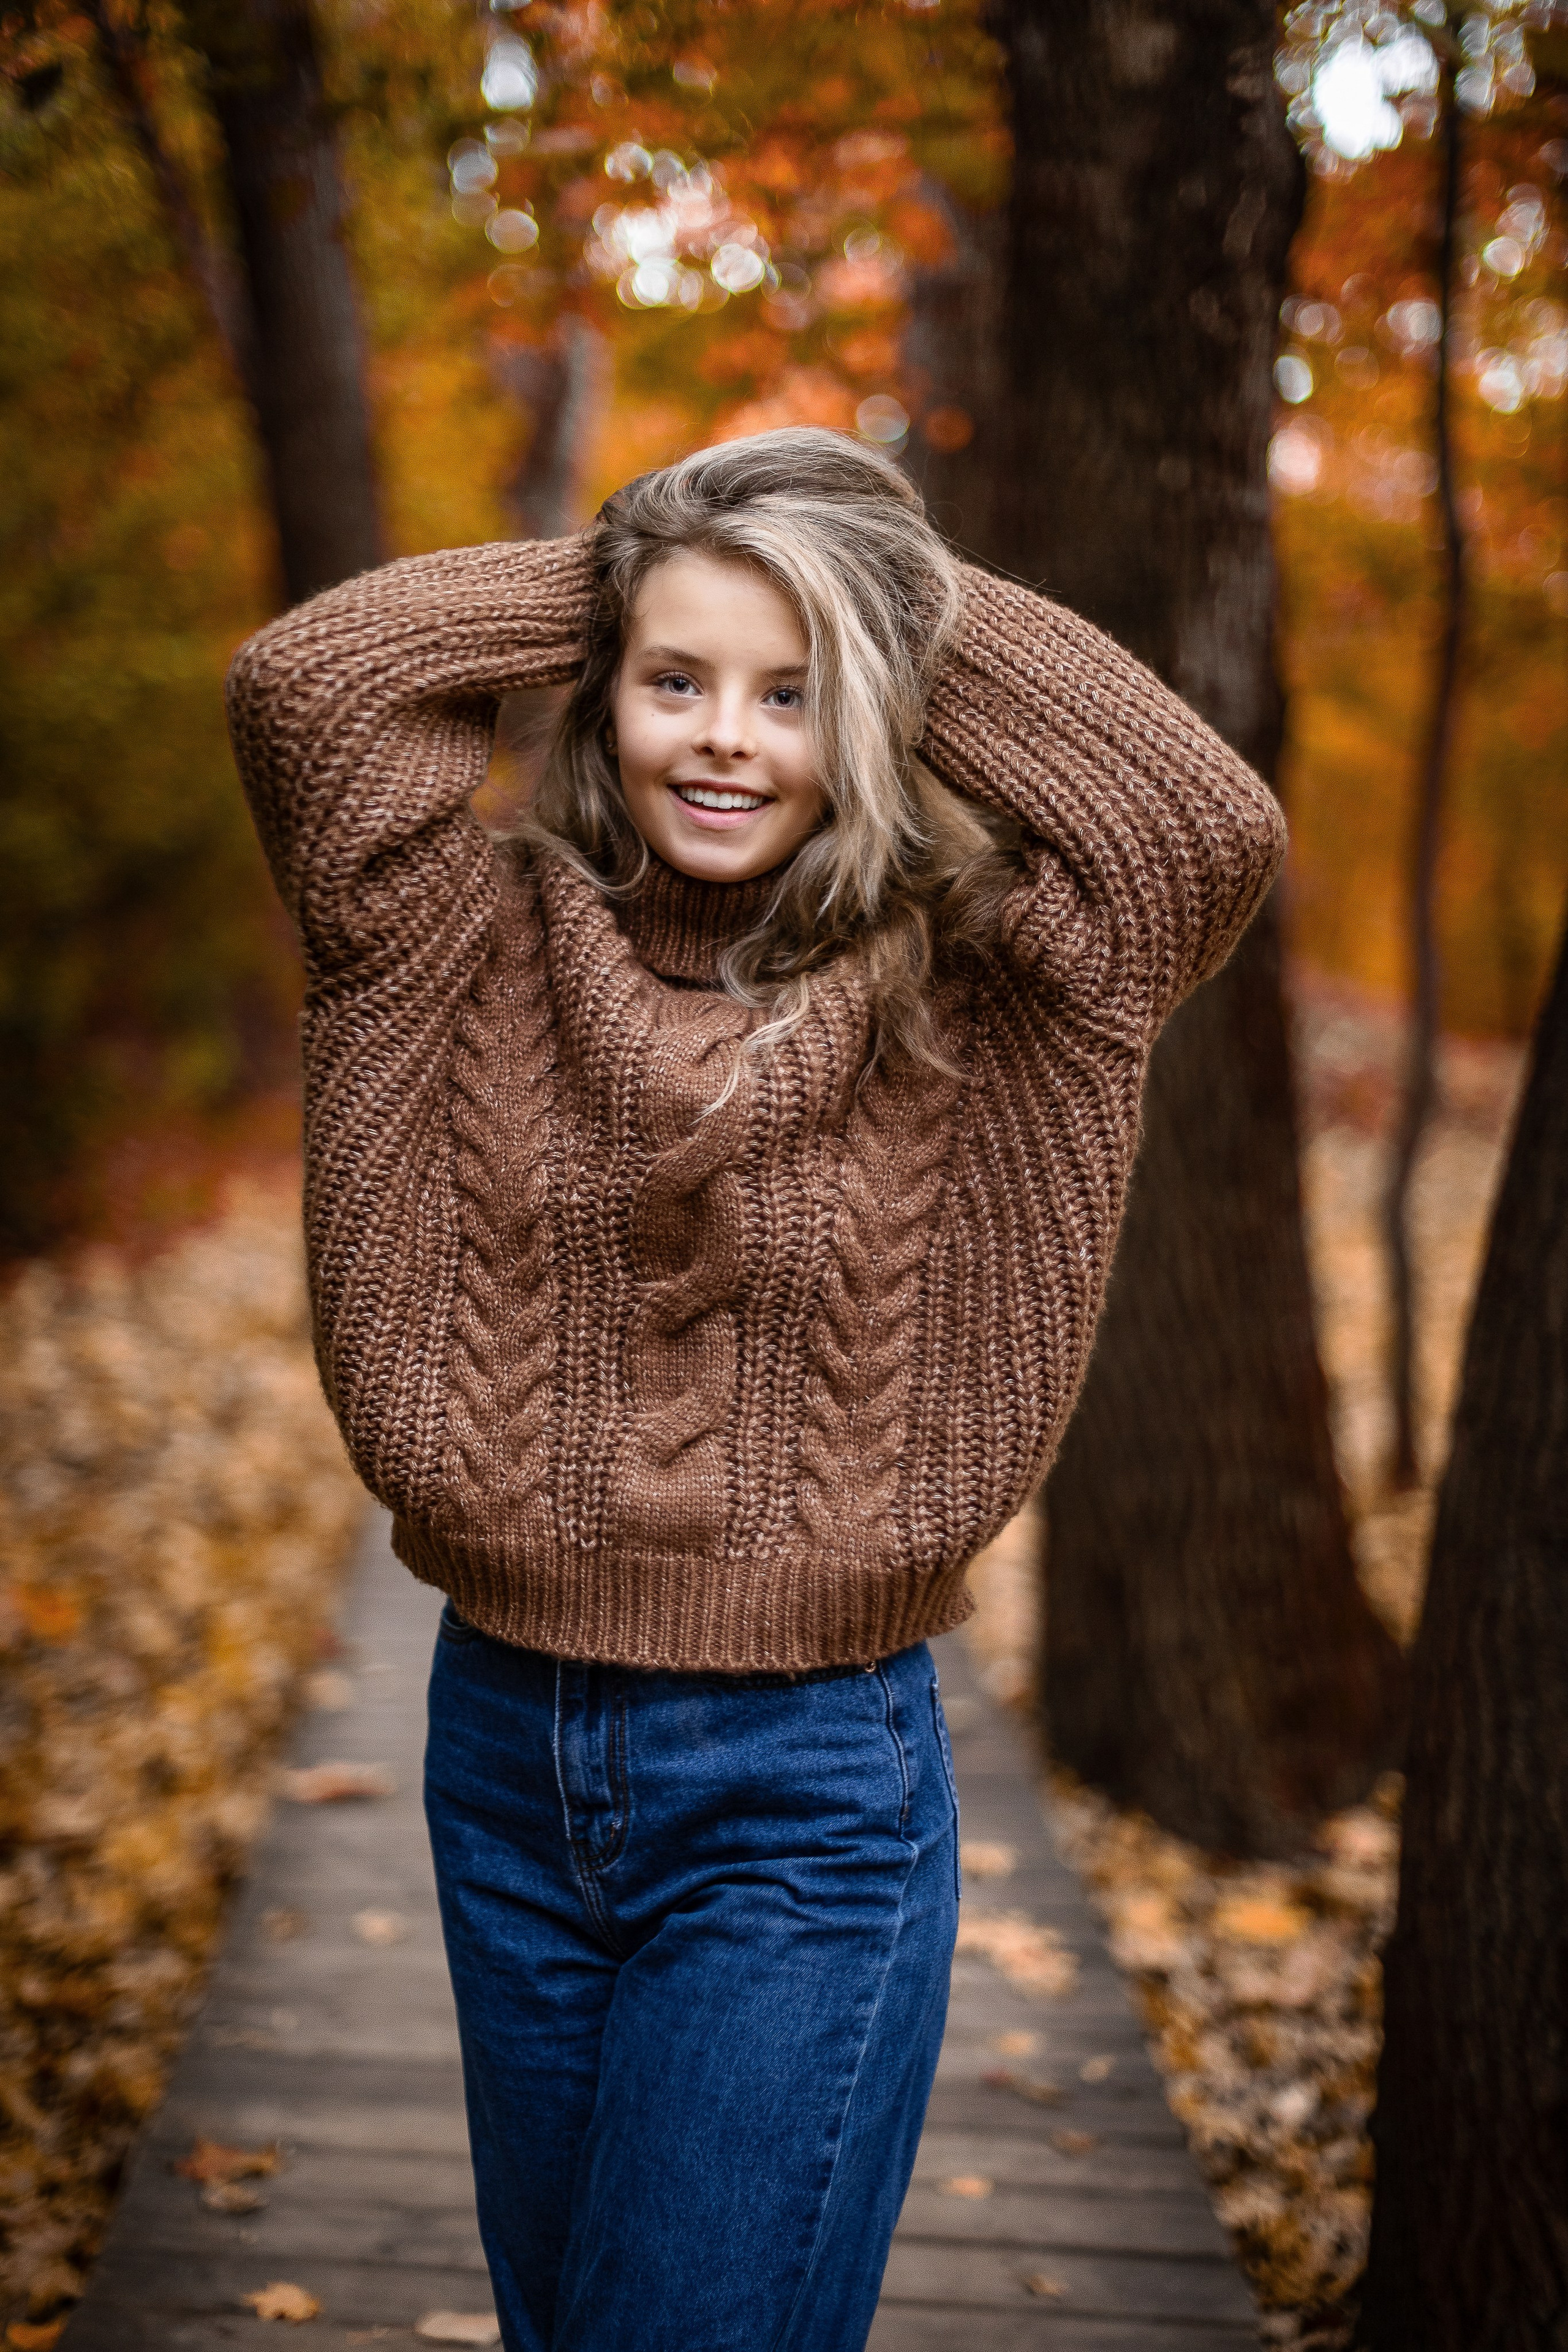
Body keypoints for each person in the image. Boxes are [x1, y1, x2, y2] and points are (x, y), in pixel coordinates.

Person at [228, 426, 1284, 2352]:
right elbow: (313, 687)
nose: (727, 737)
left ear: (870, 708)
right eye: (677, 680)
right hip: (506, 1749)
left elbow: (1192, 828)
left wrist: (866, 595)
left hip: (803, 1788)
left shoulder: (1005, 991)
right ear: (605, 690)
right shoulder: (444, 939)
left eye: (792, 697)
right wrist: (645, 556)